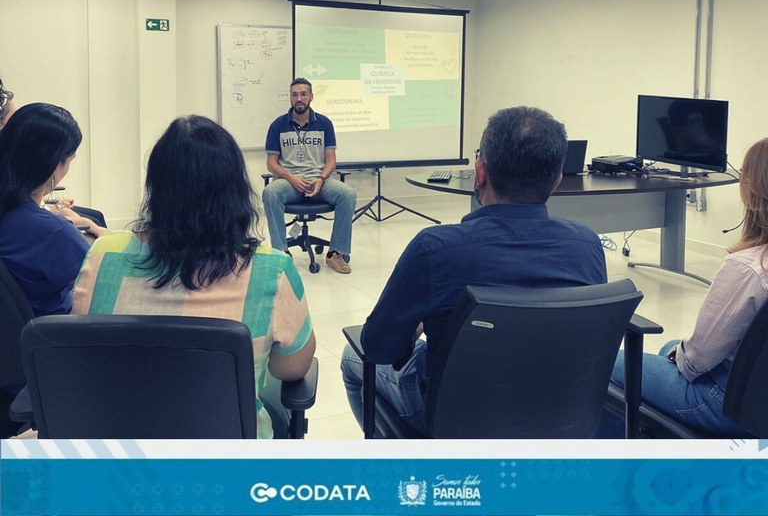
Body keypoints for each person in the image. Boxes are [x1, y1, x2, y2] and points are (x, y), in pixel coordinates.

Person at [340, 106, 607, 435]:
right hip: (559, 412)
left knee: (352, 359)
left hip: (457, 419)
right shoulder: (586, 245)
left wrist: (416, 327)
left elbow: (378, 348)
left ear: (480, 173)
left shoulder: (435, 249)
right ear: (556, 181)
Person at [73, 115, 316, 439]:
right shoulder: (271, 270)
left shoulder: (103, 255)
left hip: (120, 453)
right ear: (235, 190)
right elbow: (291, 368)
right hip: (227, 458)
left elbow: (84, 352)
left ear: (156, 187)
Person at [600, 137, 768, 438]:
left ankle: (618, 461)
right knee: (671, 348)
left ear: (752, 191)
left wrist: (681, 357)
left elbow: (695, 362)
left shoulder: (748, 269)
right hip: (758, 396)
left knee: (603, 365)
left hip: (727, 405)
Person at [0, 103, 102, 316]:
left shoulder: (17, 218)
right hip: (60, 330)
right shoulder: (53, 232)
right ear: (58, 164)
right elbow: (103, 284)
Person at [262, 77, 356, 274]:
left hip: (319, 180)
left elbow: (331, 160)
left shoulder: (324, 123)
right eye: (295, 95)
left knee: (347, 194)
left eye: (303, 94)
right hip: (289, 182)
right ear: (290, 98)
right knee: (270, 192)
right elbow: (271, 163)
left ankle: (336, 253)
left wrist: (321, 179)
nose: (299, 99)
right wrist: (290, 177)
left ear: (311, 97)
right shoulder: (277, 125)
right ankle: (281, 253)